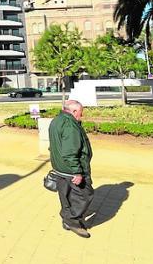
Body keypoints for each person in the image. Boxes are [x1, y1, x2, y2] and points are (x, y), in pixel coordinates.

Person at [48, 100, 94, 238]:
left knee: (66, 195)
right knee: (85, 195)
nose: (82, 116)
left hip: (60, 167)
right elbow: (70, 151)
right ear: (73, 111)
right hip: (70, 169)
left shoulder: (56, 120)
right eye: (81, 113)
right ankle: (73, 222)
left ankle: (67, 219)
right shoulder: (70, 125)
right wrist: (77, 172)